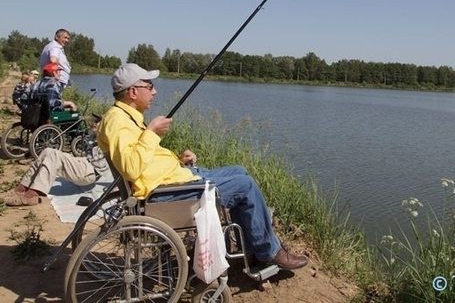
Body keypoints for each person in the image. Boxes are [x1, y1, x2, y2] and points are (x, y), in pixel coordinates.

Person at [97, 63, 309, 270]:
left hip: (173, 180)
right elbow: (130, 168)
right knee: (245, 185)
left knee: (239, 170)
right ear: (133, 91)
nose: (155, 91)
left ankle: (252, 249)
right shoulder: (118, 121)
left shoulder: (126, 117)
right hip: (164, 195)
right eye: (150, 86)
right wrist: (151, 132)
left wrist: (178, 161)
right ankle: (269, 252)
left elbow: (143, 162)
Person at [2, 115, 109, 206]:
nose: (94, 123)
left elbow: (118, 161)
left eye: (99, 122)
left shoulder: (109, 140)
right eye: (95, 121)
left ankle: (32, 194)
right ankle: (22, 188)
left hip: (89, 172)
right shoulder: (93, 136)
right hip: (84, 163)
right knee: (48, 151)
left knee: (54, 156)